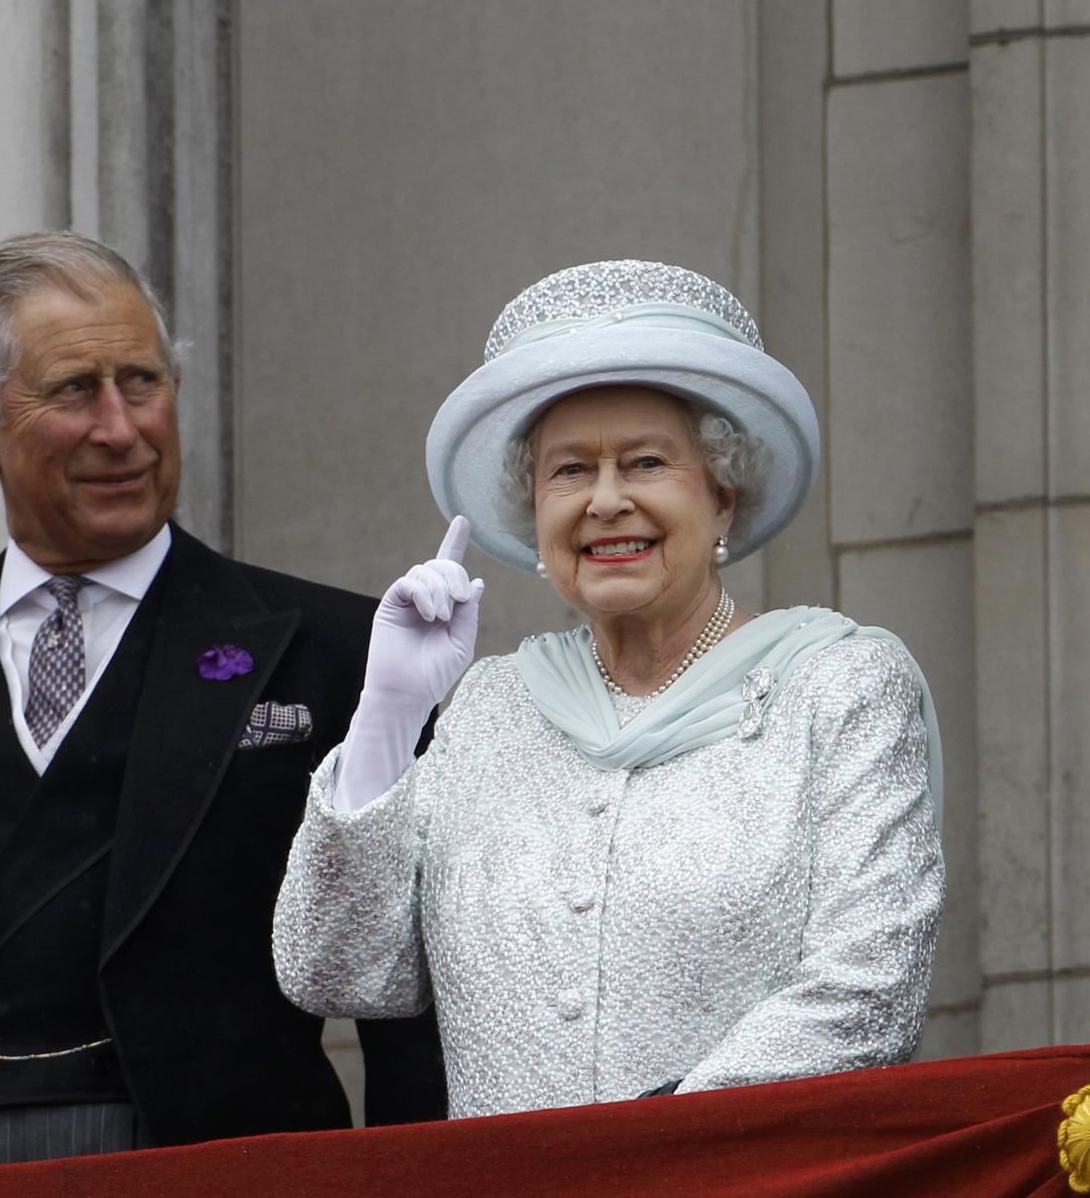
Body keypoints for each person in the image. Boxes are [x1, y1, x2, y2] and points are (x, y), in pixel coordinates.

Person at [0, 232, 445, 1177]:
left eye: (141, 383)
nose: (121, 428)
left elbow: (407, 1002)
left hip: (226, 1190)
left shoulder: (337, 653)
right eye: (75, 390)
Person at [273, 259, 945, 1117]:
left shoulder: (839, 685)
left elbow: (869, 993)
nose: (605, 501)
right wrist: (389, 717)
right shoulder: (489, 707)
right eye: (569, 471)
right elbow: (336, 966)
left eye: (647, 462)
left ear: (724, 495)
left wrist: (633, 1160)